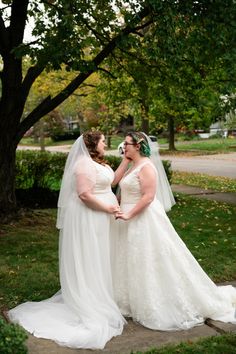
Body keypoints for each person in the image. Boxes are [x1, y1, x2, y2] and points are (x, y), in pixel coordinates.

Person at [8, 131, 129, 349]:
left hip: (102, 216)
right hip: (91, 216)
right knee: (91, 256)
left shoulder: (98, 162)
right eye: (102, 140)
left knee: (102, 255)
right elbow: (84, 194)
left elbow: (111, 181)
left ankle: (104, 291)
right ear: (92, 145)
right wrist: (108, 207)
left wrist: (126, 161)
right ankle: (91, 296)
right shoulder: (83, 164)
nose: (105, 143)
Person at [112, 131, 236, 331]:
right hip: (127, 217)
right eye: (124, 144)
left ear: (138, 145)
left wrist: (129, 214)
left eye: (127, 144)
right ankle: (130, 301)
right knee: (130, 259)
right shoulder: (132, 165)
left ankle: (156, 300)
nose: (123, 147)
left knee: (149, 259)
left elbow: (148, 197)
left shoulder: (147, 167)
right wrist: (119, 196)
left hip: (142, 218)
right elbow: (117, 184)